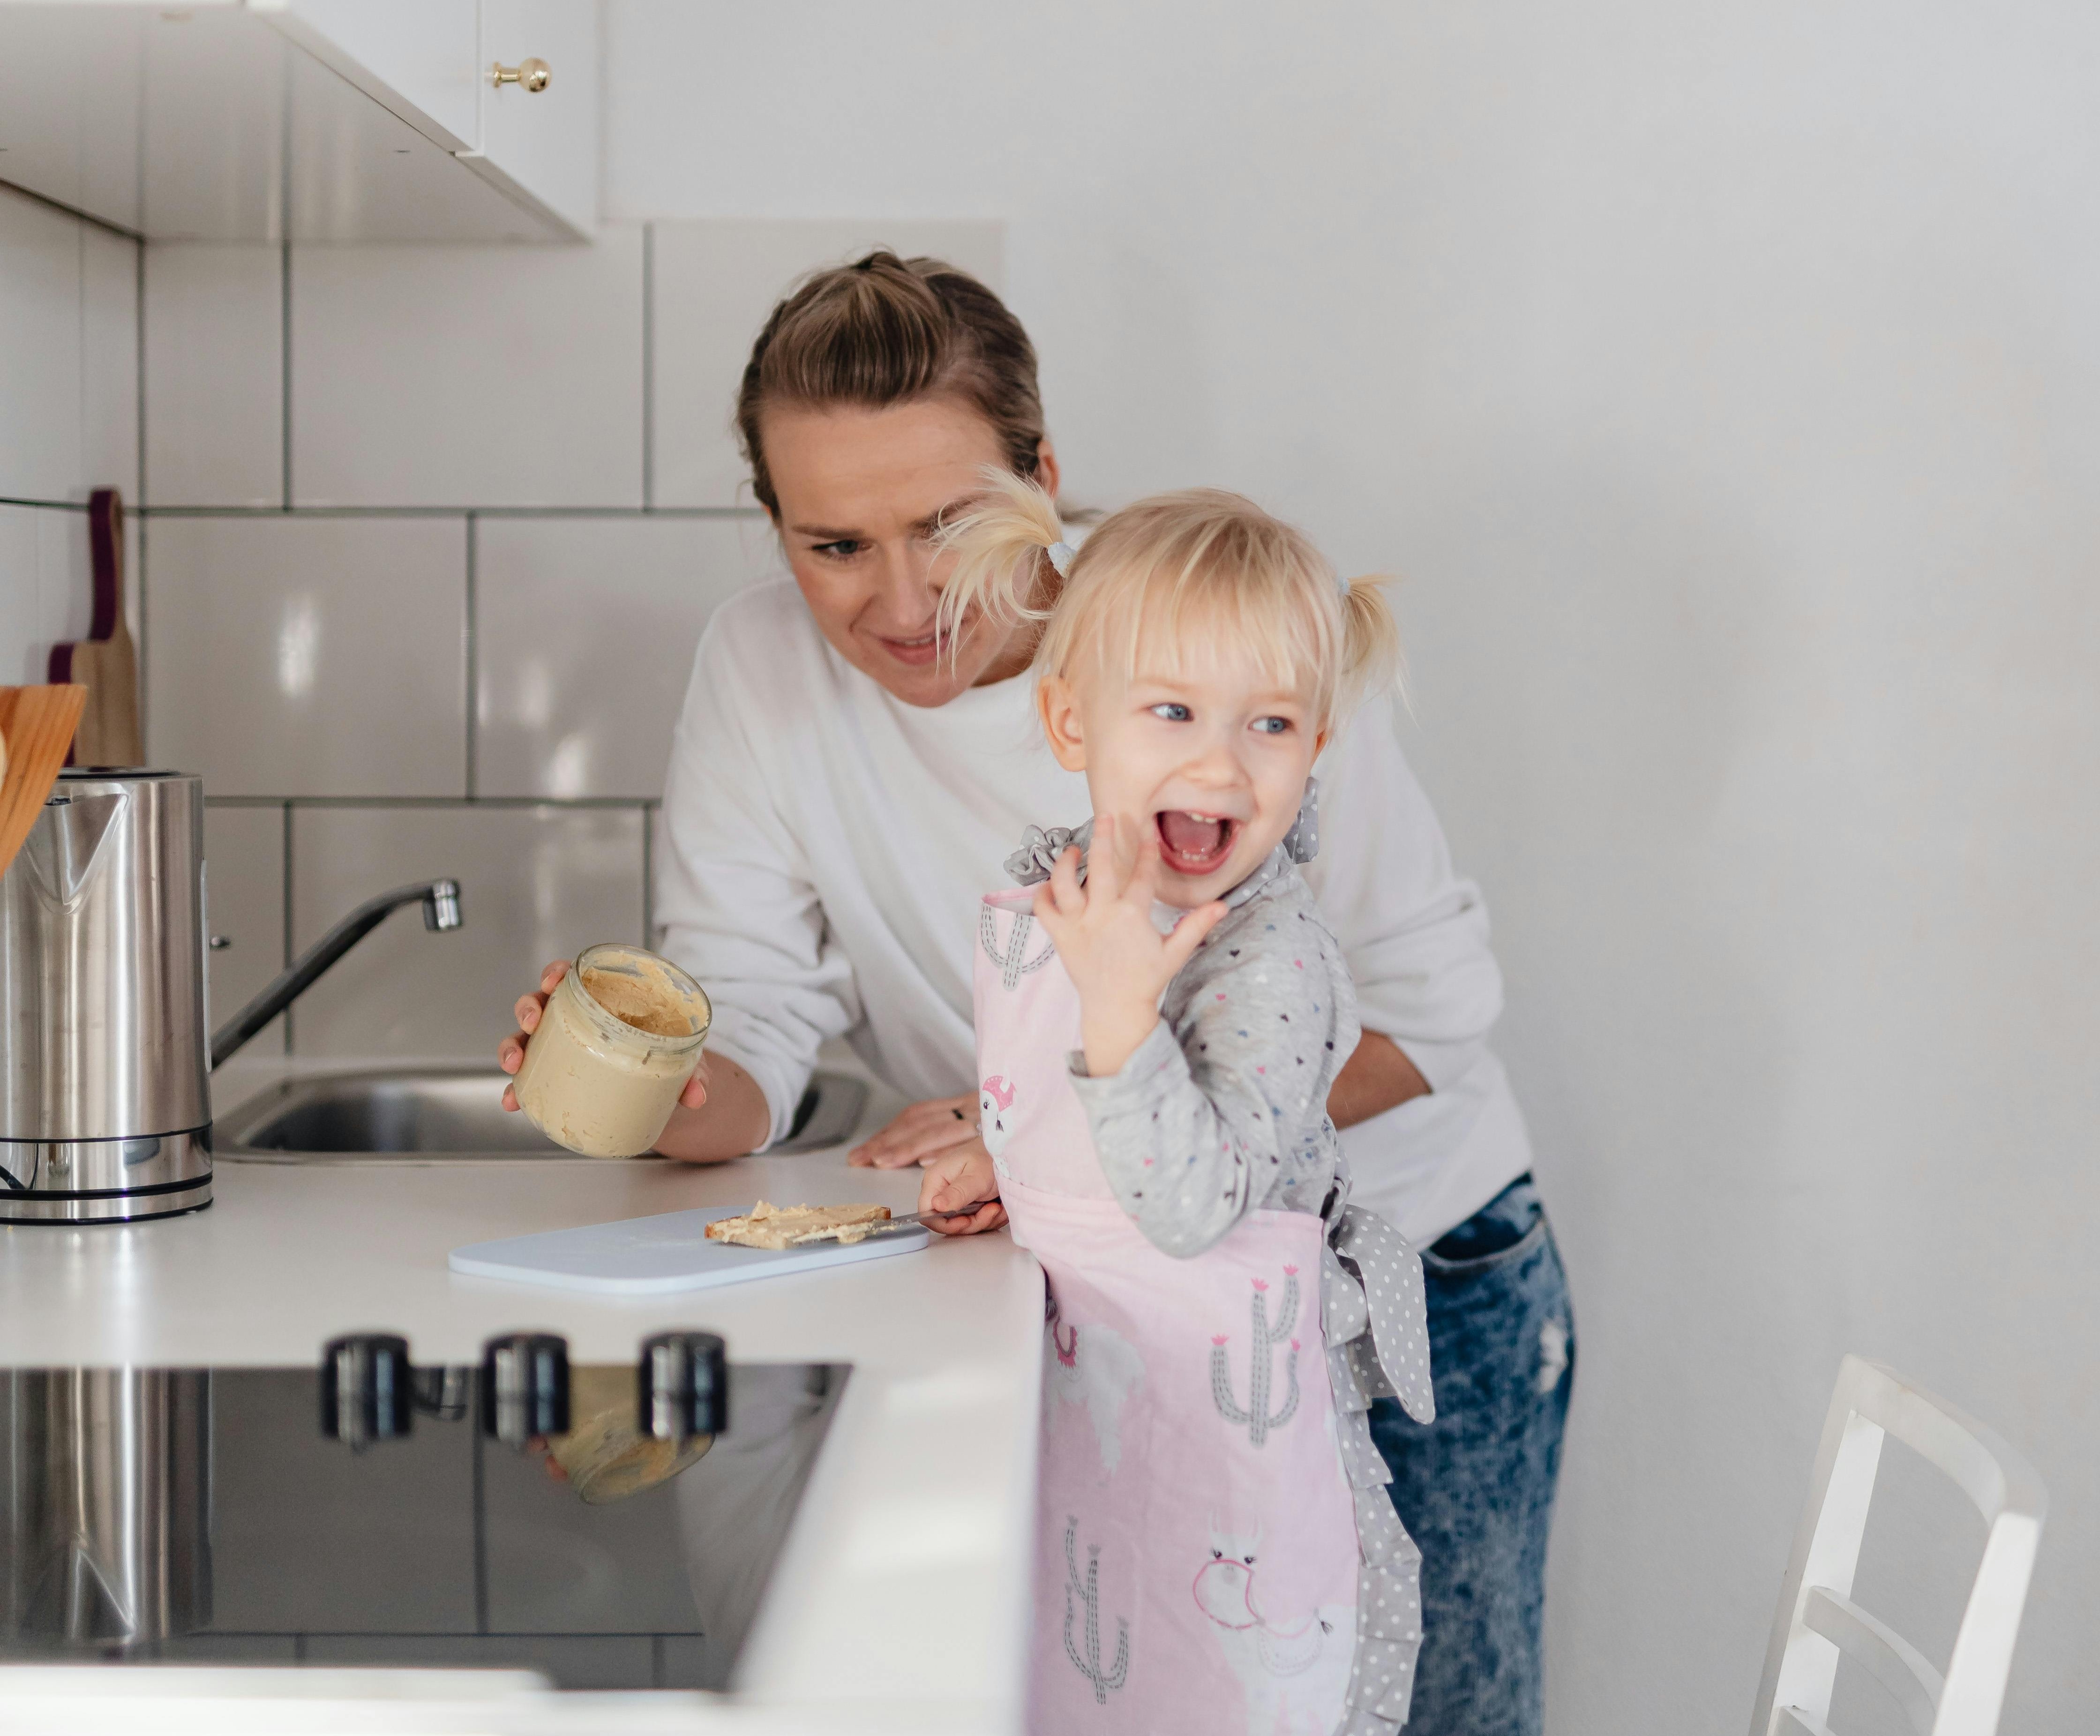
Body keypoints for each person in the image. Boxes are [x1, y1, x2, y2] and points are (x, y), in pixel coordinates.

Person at [496, 252, 1573, 1735]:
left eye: (947, 526)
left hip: (1400, 1275)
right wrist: (658, 1088)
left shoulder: (1218, 636)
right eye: (833, 544)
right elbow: (754, 1026)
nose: (904, 600)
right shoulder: (760, 670)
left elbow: (1431, 1015)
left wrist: (1057, 1142)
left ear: (1044, 478)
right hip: (1116, 1301)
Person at [913, 471, 1435, 1731]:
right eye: (1173, 710)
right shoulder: (1092, 898)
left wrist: (1116, 1010)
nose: (1220, 760)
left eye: (1272, 724)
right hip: (1106, 1430)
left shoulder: (1273, 962)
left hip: (1234, 1478)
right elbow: (1104, 1122)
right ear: (1071, 723)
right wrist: (1020, 1162)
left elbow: (1197, 1204)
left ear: (1318, 748)